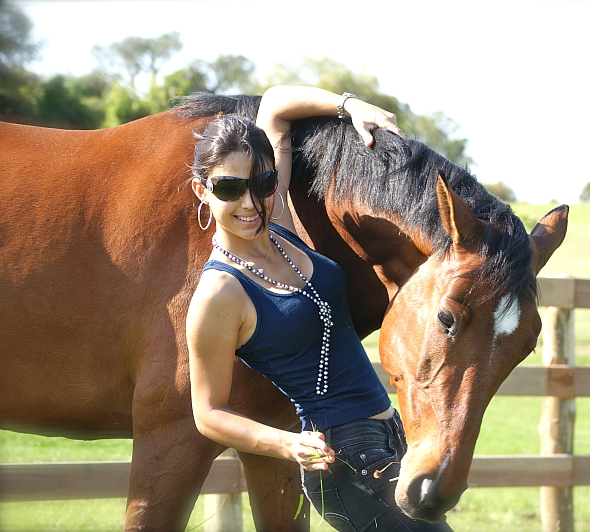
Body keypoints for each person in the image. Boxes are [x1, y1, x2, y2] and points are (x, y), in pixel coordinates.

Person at [186, 86, 452, 532]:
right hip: (341, 458)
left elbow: (275, 106)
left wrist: (351, 106)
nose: (250, 204)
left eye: (263, 184)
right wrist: (286, 444)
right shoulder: (219, 294)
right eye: (230, 188)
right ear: (202, 190)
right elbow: (208, 413)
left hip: (390, 434)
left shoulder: (279, 227)